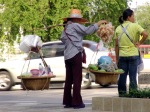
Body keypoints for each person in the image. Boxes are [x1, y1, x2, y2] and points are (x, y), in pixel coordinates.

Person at [60, 9, 107, 109]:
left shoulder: (66, 28)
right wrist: (98, 23)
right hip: (75, 54)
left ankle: (67, 101)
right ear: (76, 19)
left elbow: (63, 39)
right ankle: (77, 102)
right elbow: (88, 31)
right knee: (77, 79)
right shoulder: (75, 25)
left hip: (67, 56)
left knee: (69, 79)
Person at [114, 8, 148, 97]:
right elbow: (145, 34)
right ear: (129, 17)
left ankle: (122, 95)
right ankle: (133, 95)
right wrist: (139, 43)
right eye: (133, 16)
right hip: (133, 54)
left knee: (122, 77)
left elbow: (116, 45)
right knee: (133, 77)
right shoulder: (135, 26)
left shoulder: (118, 28)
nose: (134, 18)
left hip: (122, 56)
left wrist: (117, 58)